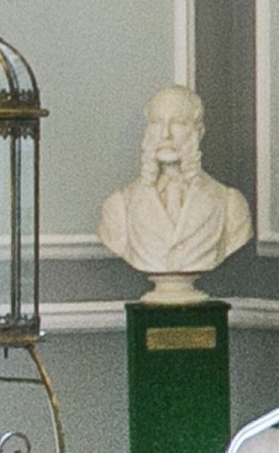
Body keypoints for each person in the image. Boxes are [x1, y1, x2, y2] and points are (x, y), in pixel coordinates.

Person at [95, 83, 252, 299]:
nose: (165, 134)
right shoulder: (119, 206)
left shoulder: (229, 203)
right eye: (156, 123)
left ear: (198, 132)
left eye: (178, 123)